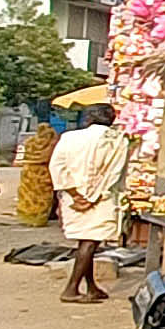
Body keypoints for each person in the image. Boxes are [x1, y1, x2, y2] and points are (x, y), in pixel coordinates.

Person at [48, 105, 128, 304]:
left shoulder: (69, 137)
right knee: (90, 242)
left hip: (72, 197)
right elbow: (114, 172)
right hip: (100, 198)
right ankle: (71, 289)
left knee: (86, 241)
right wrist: (93, 196)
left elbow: (56, 166)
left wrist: (75, 194)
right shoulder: (117, 140)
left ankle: (91, 287)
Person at [13, 122, 59, 227]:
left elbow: (26, 156)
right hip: (44, 172)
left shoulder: (30, 142)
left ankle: (28, 217)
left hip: (29, 172)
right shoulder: (52, 143)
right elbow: (49, 157)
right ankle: (40, 218)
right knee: (42, 197)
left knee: (28, 195)